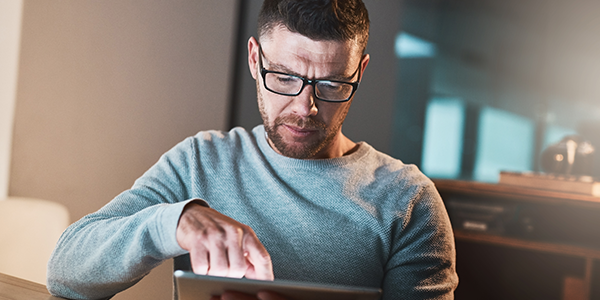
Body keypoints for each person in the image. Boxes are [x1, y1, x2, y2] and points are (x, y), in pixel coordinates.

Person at [47, 0, 459, 299]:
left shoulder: (409, 201)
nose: (304, 108)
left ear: (360, 71)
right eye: (282, 76)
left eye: (331, 85)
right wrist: (170, 223)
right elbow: (66, 270)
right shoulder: (199, 161)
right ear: (253, 58)